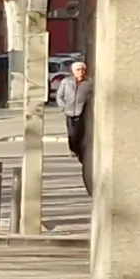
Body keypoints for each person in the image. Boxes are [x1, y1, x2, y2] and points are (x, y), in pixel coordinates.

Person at [60, 58, 94, 196]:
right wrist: (63, 106)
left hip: (82, 112)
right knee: (71, 134)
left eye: (82, 70)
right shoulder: (66, 82)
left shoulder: (89, 83)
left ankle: (79, 152)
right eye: (78, 70)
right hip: (69, 112)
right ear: (73, 71)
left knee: (80, 133)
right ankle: (73, 149)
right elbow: (59, 96)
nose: (80, 72)